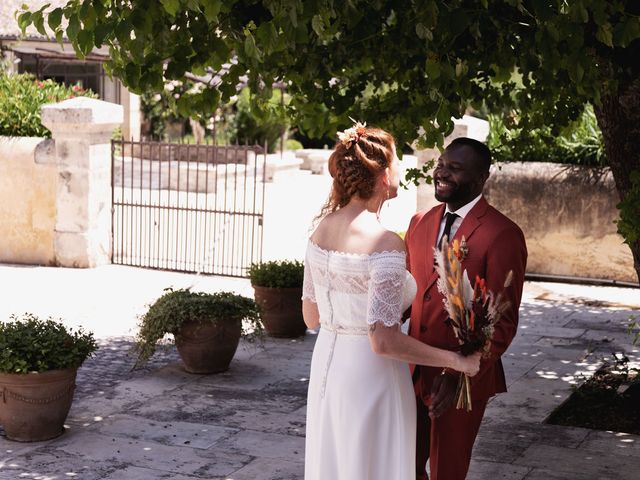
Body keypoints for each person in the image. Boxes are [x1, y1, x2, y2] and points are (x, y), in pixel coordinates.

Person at [302, 123, 481, 480]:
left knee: (337, 463)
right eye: (397, 162)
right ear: (383, 176)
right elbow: (382, 340)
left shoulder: (320, 230)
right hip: (371, 374)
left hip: (327, 366)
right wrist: (457, 361)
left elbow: (310, 317)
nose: (400, 170)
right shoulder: (385, 244)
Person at [405, 137, 528, 480]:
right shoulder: (419, 222)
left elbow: (502, 323)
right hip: (411, 370)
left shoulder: (503, 234)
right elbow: (405, 295)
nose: (442, 173)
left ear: (481, 178)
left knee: (447, 469)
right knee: (403, 464)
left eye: (455, 168)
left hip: (463, 382)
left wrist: (456, 371)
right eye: (441, 164)